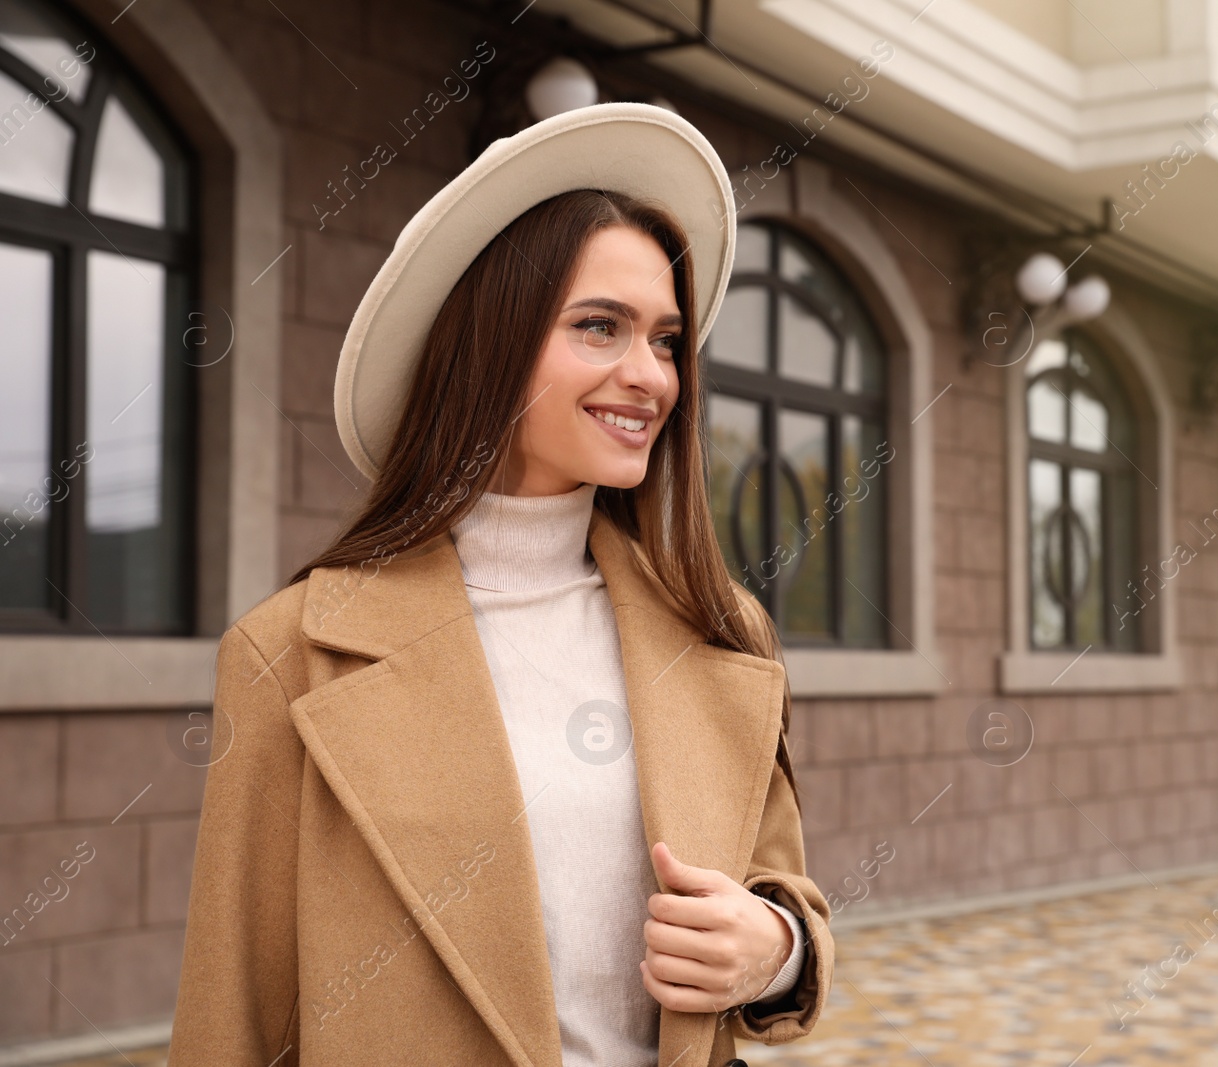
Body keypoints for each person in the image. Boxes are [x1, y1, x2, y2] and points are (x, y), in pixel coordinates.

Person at [168, 102, 832, 1067]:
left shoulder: (722, 627)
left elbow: (782, 895)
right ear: (491, 342)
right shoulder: (290, 653)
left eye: (665, 339)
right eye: (600, 326)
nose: (648, 374)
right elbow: (234, 1017)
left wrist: (773, 952)